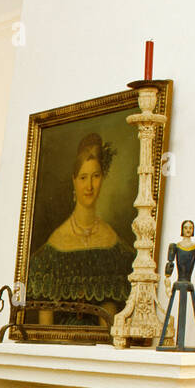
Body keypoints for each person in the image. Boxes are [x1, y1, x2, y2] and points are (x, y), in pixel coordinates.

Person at [25, 133, 133, 328]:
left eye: (96, 176)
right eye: (83, 177)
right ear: (74, 180)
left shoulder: (115, 245)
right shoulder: (52, 249)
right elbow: (45, 326)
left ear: (103, 178)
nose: (90, 186)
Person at [157, 220, 195, 351]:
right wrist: (167, 281)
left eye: (190, 228)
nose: (188, 230)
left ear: (193, 230)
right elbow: (170, 264)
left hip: (188, 280)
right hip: (179, 280)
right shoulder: (175, 246)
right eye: (186, 227)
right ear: (182, 229)